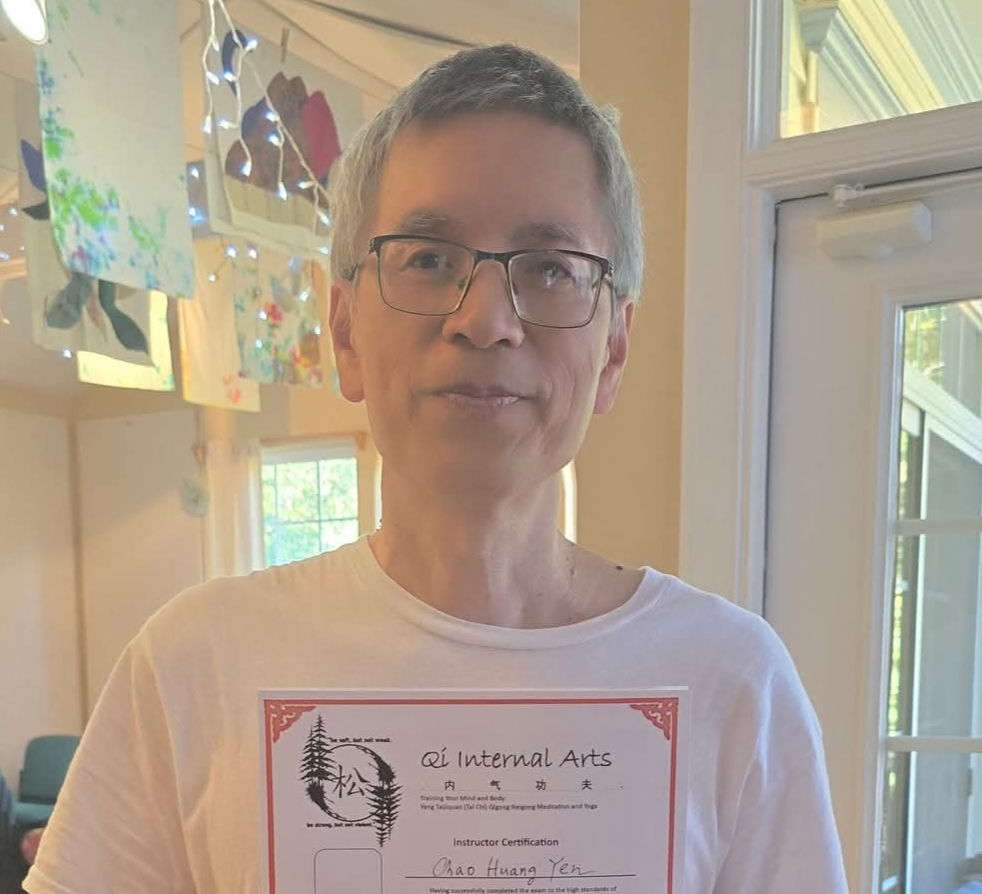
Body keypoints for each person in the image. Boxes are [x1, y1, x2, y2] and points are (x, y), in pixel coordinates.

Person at [26, 44, 847, 893]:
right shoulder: (193, 667)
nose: (485, 319)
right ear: (345, 332)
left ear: (614, 350)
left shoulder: (733, 683)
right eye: (427, 258)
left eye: (551, 269)